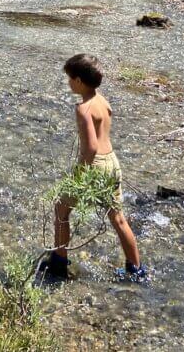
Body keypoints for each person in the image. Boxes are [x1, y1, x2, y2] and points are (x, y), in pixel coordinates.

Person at [39, 53, 148, 283]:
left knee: (61, 208)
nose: (68, 82)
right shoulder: (103, 101)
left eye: (70, 78)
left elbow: (89, 148)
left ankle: (58, 263)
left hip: (95, 165)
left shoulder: (84, 109)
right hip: (112, 163)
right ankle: (136, 269)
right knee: (118, 218)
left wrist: (79, 175)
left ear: (79, 81)